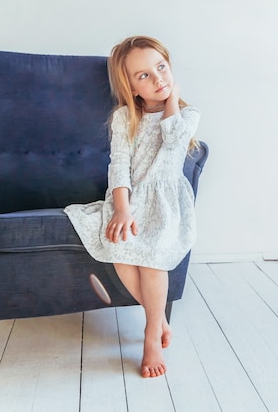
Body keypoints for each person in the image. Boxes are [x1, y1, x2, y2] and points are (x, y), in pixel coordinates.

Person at [64, 35, 200, 378]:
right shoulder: (125, 117)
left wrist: (171, 99)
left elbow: (172, 142)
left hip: (167, 203)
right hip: (129, 199)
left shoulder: (188, 115)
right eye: (144, 76)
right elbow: (118, 166)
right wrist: (122, 209)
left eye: (161, 68)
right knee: (119, 250)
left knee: (152, 258)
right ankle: (161, 319)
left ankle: (151, 334)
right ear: (131, 87)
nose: (157, 79)